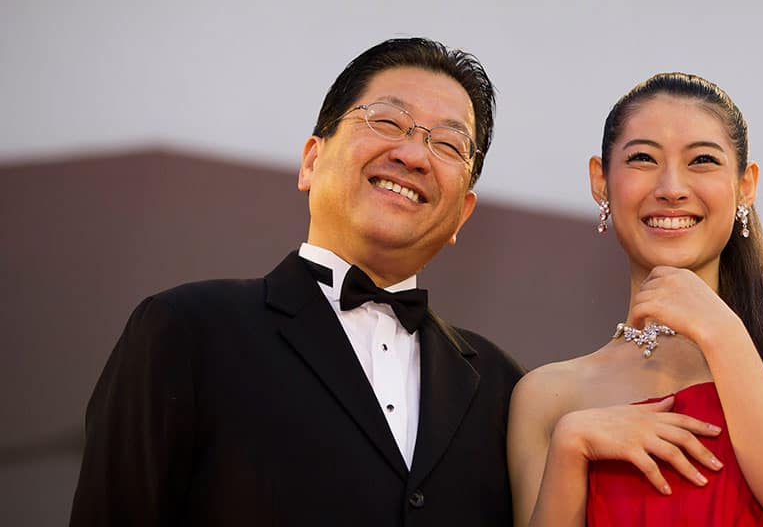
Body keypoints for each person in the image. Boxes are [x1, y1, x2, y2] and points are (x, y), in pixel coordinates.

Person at [70, 37, 524, 526]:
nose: (414, 155)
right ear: (311, 160)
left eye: (448, 144)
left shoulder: (506, 390)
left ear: (463, 214)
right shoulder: (186, 331)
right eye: (389, 122)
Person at [507, 72, 763, 526]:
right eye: (642, 158)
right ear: (601, 182)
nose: (672, 188)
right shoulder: (549, 397)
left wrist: (719, 331)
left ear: (745, 186)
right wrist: (572, 443)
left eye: (702, 161)